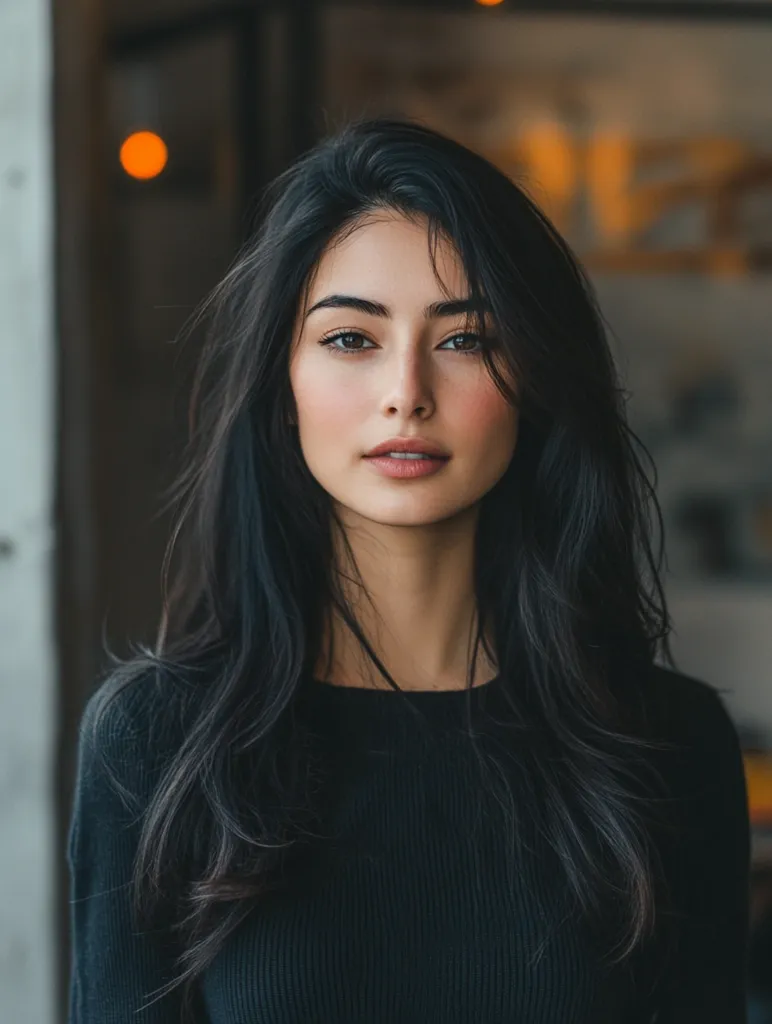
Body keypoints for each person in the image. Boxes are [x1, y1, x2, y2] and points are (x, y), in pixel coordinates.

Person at [67, 117, 750, 1023]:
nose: (406, 392)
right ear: (284, 385)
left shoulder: (668, 747)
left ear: (534, 381)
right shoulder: (158, 746)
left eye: (465, 339)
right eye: (352, 339)